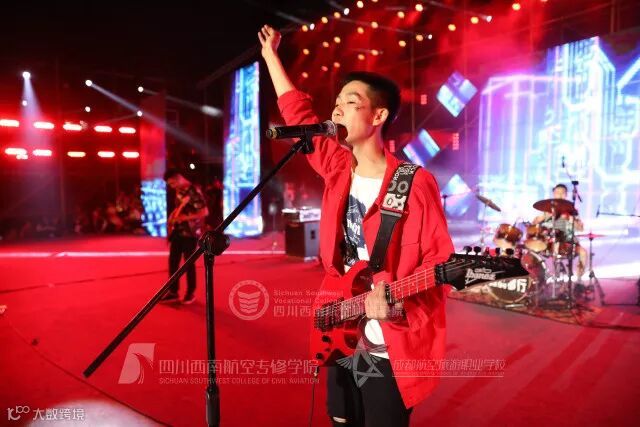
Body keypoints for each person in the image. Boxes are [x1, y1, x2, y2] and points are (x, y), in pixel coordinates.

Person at [258, 25, 454, 427]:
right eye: (336, 104)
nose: (337, 111)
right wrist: (270, 57)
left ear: (378, 116)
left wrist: (396, 304)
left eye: (351, 102)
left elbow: (439, 262)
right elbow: (298, 113)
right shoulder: (336, 167)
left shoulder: (414, 183)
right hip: (338, 325)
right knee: (341, 419)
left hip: (387, 343)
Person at [161, 169, 208, 304]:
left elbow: (204, 212)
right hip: (178, 231)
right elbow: (180, 207)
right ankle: (173, 292)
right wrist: (173, 216)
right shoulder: (180, 190)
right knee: (173, 261)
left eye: (172, 183)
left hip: (190, 233)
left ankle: (190, 293)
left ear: (178, 178)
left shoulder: (194, 192)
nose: (172, 187)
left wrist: (184, 218)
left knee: (188, 263)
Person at [532, 183, 588, 279]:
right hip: (550, 242)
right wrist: (544, 216)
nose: (560, 195)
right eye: (557, 193)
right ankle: (539, 276)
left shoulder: (572, 210)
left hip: (568, 242)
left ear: (566, 195)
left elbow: (581, 228)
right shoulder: (547, 209)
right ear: (554, 194)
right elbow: (534, 223)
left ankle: (579, 279)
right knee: (534, 248)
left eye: (563, 193)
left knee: (583, 252)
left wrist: (570, 218)